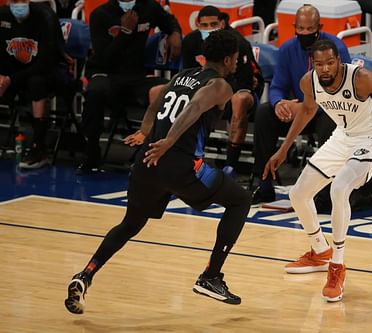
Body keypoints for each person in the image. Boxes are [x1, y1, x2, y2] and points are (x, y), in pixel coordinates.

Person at [64, 30, 251, 314]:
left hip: (147, 162)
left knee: (130, 224)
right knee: (240, 200)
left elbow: (156, 101)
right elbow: (196, 106)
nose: (237, 63)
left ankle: (85, 274)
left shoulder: (182, 75)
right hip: (180, 165)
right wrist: (169, 141)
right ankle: (211, 276)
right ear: (228, 59)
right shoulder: (220, 85)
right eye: (236, 58)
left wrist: (144, 131)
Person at [263, 39, 372, 302]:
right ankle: (320, 250)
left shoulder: (361, 79)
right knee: (298, 194)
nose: (326, 69)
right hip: (342, 138)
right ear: (313, 65)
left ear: (338, 61)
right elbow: (308, 110)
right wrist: (284, 149)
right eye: (320, 64)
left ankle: (337, 265)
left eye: (330, 62)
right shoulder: (308, 82)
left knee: (339, 188)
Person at [251, 5, 372, 212]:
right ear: (294, 27)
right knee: (264, 113)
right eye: (301, 28)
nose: (305, 33)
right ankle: (263, 184)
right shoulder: (287, 49)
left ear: (320, 27)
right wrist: (279, 103)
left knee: (329, 124)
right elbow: (278, 86)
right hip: (300, 110)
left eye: (310, 29)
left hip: (331, 111)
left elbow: (341, 93)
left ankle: (324, 195)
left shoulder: (336, 49)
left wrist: (307, 108)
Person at [77, 0, 182, 173]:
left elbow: (168, 20)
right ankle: (92, 151)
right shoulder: (100, 14)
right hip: (105, 72)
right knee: (96, 92)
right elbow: (104, 58)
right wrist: (125, 32)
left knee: (167, 90)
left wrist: (174, 33)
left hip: (135, 75)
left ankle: (151, 152)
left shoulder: (149, 7)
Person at [181, 6, 263, 178]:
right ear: (198, 25)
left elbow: (248, 81)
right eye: (205, 25)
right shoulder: (190, 41)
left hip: (240, 92)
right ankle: (188, 158)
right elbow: (187, 76)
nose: (209, 28)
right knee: (188, 96)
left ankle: (230, 166)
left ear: (222, 23)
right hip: (208, 93)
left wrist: (220, 96)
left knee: (238, 100)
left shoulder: (237, 43)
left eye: (213, 24)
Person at [0, 0, 66, 168]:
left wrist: (10, 80)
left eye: (22, 0)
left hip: (45, 73)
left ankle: (39, 148)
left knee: (36, 83)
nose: (19, 5)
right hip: (12, 73)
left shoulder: (45, 17)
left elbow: (47, 61)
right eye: (14, 1)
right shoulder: (3, 16)